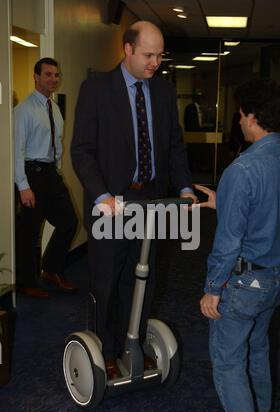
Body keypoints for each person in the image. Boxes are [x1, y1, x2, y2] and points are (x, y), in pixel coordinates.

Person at [71, 21, 197, 380]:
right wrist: (101, 195)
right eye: (148, 54)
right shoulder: (96, 89)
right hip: (111, 205)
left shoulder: (163, 92)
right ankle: (106, 349)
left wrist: (185, 188)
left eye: (159, 55)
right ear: (127, 49)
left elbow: (173, 146)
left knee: (142, 277)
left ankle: (134, 342)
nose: (155, 62)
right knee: (108, 280)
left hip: (150, 201)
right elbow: (82, 151)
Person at [199, 79, 280, 412]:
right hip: (277, 280)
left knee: (227, 365)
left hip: (242, 285)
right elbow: (273, 214)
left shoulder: (242, 170)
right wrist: (225, 202)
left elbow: (227, 243)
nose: (238, 122)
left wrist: (211, 289)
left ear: (253, 117)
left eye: (240, 115)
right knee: (257, 350)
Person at [14, 57, 78, 299]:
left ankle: (51, 270)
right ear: (36, 77)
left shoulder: (54, 108)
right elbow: (16, 150)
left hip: (51, 173)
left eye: (56, 75)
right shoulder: (23, 111)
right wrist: (23, 186)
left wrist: (57, 169)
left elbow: (56, 144)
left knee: (69, 221)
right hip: (31, 174)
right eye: (48, 74)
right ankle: (26, 282)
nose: (54, 79)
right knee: (30, 232)